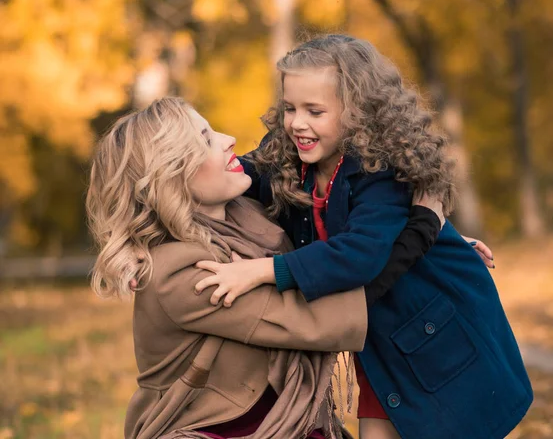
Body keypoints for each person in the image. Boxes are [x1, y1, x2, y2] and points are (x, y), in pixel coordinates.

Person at [193, 35, 533, 439]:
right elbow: (231, 178)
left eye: (314, 111)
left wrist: (262, 271)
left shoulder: (378, 170)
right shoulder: (288, 156)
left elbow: (359, 254)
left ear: (357, 113)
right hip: (380, 345)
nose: (297, 123)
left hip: (433, 333)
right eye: (290, 108)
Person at [86, 96, 445, 439]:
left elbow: (335, 238)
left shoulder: (247, 213)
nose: (229, 141)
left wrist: (446, 249)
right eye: (205, 139)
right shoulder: (179, 274)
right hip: (219, 430)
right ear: (171, 175)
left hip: (284, 421)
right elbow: (314, 317)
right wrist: (421, 233)